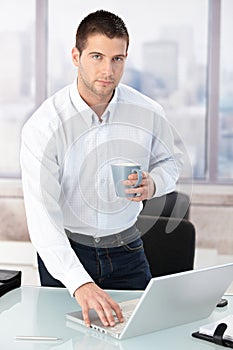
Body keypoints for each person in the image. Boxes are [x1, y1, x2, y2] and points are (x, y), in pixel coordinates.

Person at [20, 10, 182, 328]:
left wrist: (154, 184)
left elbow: (171, 163)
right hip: (66, 252)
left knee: (143, 336)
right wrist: (78, 282)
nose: (107, 70)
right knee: (63, 340)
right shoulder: (44, 126)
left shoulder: (148, 111)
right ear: (76, 56)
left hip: (127, 249)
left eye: (117, 59)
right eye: (97, 56)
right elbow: (43, 219)